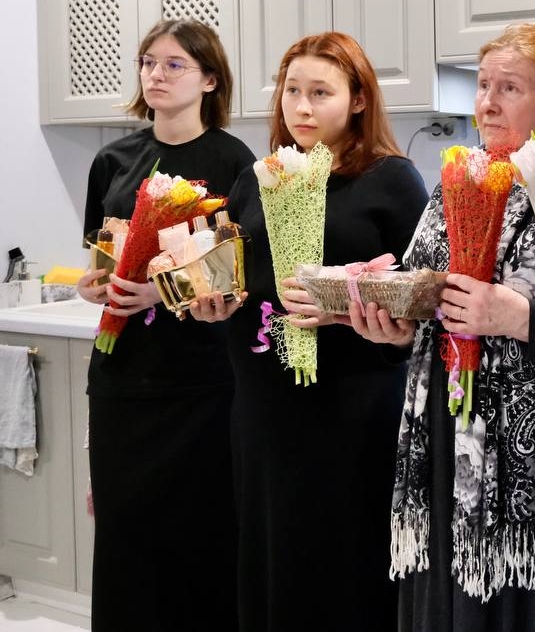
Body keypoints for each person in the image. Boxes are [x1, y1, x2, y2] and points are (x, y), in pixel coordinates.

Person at [351, 23, 535, 632]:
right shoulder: (457, 180)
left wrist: (521, 320)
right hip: (448, 437)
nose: (486, 102)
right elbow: (428, 297)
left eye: (510, 87)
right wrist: (395, 327)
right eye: (483, 86)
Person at [190, 32, 428, 632]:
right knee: (270, 561)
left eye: (320, 92)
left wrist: (350, 304)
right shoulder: (258, 177)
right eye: (292, 90)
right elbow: (240, 280)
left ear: (357, 99)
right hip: (263, 406)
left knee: (342, 565)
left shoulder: (391, 180)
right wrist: (214, 305)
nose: (301, 106)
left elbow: (424, 300)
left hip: (351, 409)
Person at [75, 18, 254, 631]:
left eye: (174, 64)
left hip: (202, 380)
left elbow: (237, 272)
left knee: (202, 535)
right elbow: (102, 254)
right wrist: (95, 284)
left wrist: (159, 292)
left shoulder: (235, 162)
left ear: (209, 79)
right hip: (122, 375)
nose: (156, 74)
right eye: (148, 62)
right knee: (124, 535)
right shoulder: (112, 159)